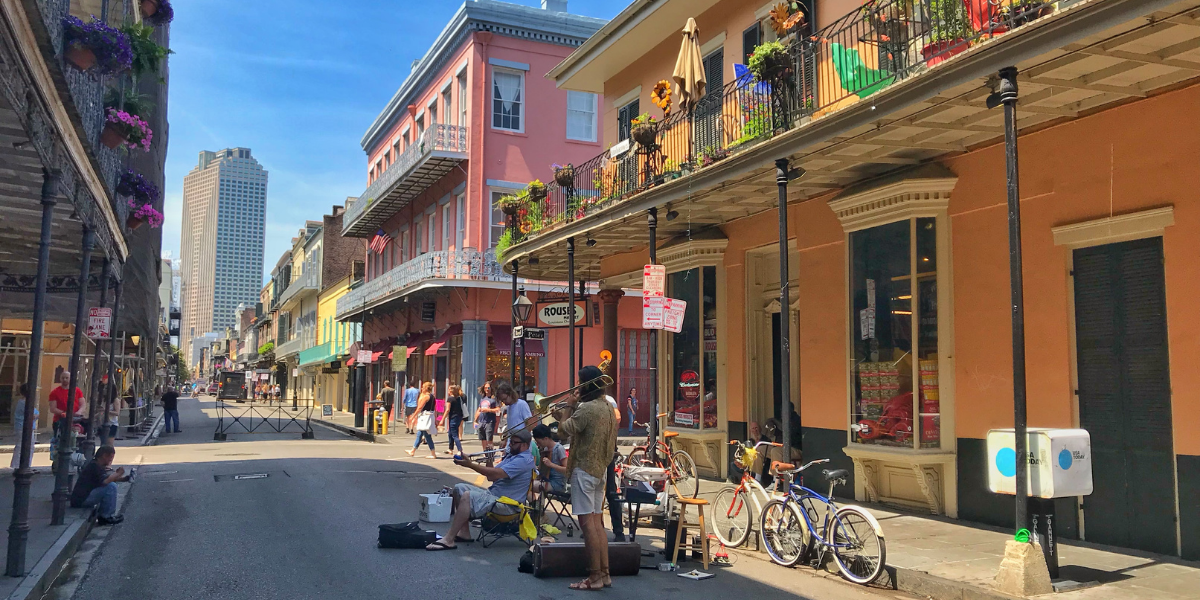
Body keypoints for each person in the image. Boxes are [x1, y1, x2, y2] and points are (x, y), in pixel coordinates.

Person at [554, 366, 618, 591]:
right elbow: (576, 426)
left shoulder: (586, 409)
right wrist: (564, 411)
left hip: (583, 470)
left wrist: (569, 406)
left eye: (580, 382)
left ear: (587, 384)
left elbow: (563, 431)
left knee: (587, 525)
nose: (578, 386)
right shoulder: (608, 407)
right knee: (598, 524)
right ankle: (605, 574)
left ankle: (594, 577)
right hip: (600, 470)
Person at [425, 428, 535, 551]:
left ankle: (448, 539)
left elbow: (497, 473)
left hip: (508, 504)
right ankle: (464, 533)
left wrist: (470, 464)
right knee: (459, 488)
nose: (510, 445)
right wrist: (489, 459)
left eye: (514, 443)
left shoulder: (523, 460)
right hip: (495, 496)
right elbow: (491, 477)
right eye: (511, 442)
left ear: (525, 445)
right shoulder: (512, 457)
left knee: (468, 495)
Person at [70, 445, 127, 525]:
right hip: (81, 499)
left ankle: (105, 514)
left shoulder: (97, 465)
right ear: (104, 456)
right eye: (110, 457)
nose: (111, 460)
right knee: (111, 487)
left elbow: (107, 478)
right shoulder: (94, 466)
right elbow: (105, 481)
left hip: (84, 497)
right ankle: (106, 516)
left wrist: (124, 478)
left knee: (110, 486)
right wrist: (118, 474)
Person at [495, 379, 531, 455]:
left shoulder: (522, 404)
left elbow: (529, 423)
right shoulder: (508, 408)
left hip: (521, 443)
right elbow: (510, 426)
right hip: (511, 443)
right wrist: (504, 440)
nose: (504, 402)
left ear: (510, 394)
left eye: (505, 399)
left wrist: (525, 441)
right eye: (502, 400)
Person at [48, 370, 83, 443]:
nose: (65, 379)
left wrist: (79, 412)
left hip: (75, 420)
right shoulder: (54, 392)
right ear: (60, 379)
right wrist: (64, 413)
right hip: (60, 421)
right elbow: (52, 408)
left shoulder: (77, 390)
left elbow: (83, 404)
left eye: (67, 378)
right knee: (59, 441)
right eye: (63, 378)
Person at [532, 424, 567, 495]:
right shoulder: (545, 449)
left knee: (528, 486)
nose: (538, 445)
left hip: (557, 484)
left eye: (539, 442)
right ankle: (537, 504)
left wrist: (551, 465)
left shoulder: (559, 449)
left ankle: (534, 503)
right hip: (546, 480)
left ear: (545, 439)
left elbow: (567, 469)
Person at [405, 382, 438, 458]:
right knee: (419, 434)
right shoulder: (432, 396)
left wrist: (414, 415)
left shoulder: (426, 397)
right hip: (430, 416)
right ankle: (412, 451)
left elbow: (420, 407)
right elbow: (434, 408)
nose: (422, 388)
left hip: (425, 417)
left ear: (426, 388)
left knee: (427, 435)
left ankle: (433, 454)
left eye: (423, 387)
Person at [10, 383, 37, 470]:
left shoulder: (23, 402)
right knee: (23, 446)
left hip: (26, 427)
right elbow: (32, 415)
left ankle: (22, 465)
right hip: (23, 427)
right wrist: (36, 415)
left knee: (27, 446)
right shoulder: (24, 403)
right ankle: (18, 465)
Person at [474, 382, 500, 466]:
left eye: (488, 388)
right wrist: (475, 420)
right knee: (483, 439)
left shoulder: (494, 399)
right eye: (485, 388)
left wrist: (488, 410)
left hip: (490, 421)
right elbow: (479, 409)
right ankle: (486, 455)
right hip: (482, 421)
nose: (487, 389)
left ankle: (490, 456)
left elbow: (498, 409)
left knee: (489, 440)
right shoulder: (483, 398)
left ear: (491, 389)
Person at [440, 385, 466, 456]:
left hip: (453, 418)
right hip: (459, 417)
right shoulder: (458, 398)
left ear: (451, 391)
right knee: (450, 433)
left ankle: (460, 450)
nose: (448, 391)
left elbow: (447, 409)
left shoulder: (450, 399)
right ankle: (450, 449)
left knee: (454, 435)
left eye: (449, 389)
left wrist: (442, 419)